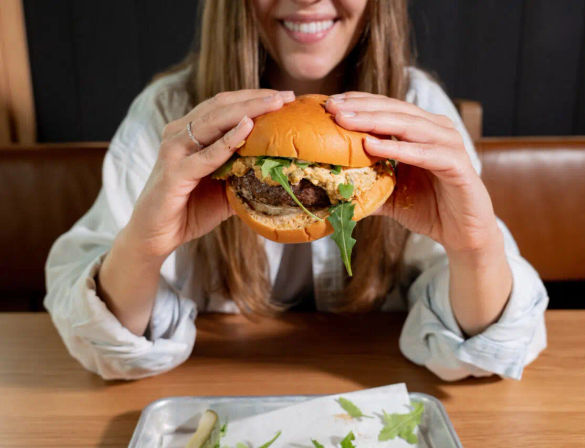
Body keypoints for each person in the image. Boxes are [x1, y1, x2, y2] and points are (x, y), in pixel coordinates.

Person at [44, 0, 548, 381]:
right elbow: (105, 353)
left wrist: (474, 249)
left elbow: (493, 355)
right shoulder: (174, 118)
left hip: (374, 394)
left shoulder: (414, 113)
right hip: (218, 390)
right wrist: (145, 246)